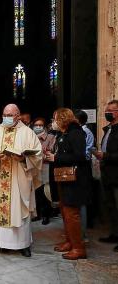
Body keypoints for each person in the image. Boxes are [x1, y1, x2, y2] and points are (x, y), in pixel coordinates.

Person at [0, 104, 42, 257]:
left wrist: (23, 159)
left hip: (19, 179)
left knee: (20, 209)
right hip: (0, 178)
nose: (7, 117)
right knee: (2, 210)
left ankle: (23, 244)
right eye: (5, 114)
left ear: (18, 115)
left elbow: (38, 154)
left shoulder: (28, 133)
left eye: (11, 115)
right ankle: (3, 243)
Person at [45, 108, 89, 260]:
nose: (53, 122)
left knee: (72, 214)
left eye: (55, 118)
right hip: (64, 179)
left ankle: (78, 247)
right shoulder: (63, 134)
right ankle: (70, 241)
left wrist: (55, 158)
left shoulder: (76, 133)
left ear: (62, 119)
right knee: (65, 212)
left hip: (74, 180)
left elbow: (79, 156)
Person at [94, 100, 118, 252]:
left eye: (111, 110)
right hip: (107, 173)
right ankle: (114, 234)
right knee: (110, 206)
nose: (107, 113)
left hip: (116, 174)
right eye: (106, 110)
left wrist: (105, 155)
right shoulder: (108, 129)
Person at [74, 109, 95, 242]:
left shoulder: (85, 132)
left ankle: (82, 234)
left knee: (81, 202)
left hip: (82, 169)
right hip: (78, 167)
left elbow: (85, 153)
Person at [32, 117, 55, 225]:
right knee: (36, 192)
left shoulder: (50, 137)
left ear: (44, 126)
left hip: (45, 168)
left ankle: (46, 215)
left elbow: (50, 152)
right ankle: (37, 214)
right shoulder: (30, 137)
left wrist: (40, 155)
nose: (38, 127)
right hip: (34, 168)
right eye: (36, 125)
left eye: (40, 125)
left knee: (46, 192)